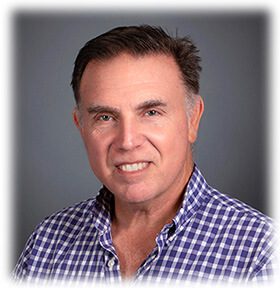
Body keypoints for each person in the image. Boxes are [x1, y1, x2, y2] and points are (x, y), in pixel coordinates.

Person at [13, 25, 275, 284]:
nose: (127, 141)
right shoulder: (45, 245)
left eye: (151, 113)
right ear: (81, 126)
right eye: (105, 117)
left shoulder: (260, 252)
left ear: (193, 119)